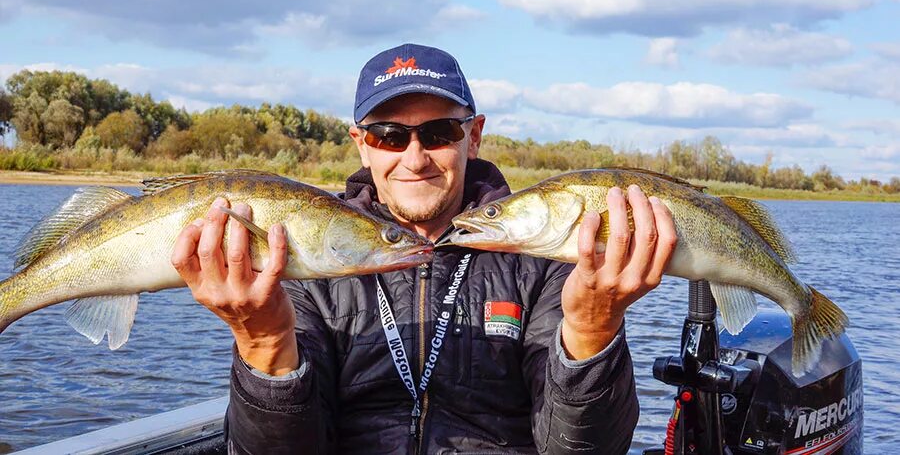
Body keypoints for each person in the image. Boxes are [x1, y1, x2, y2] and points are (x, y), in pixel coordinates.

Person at [171, 43, 677, 454]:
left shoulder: (546, 259)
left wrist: (592, 331)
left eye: (438, 132)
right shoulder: (307, 255)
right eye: (389, 136)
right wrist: (263, 344)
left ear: (473, 137)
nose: (415, 158)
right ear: (361, 145)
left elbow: (584, 450)